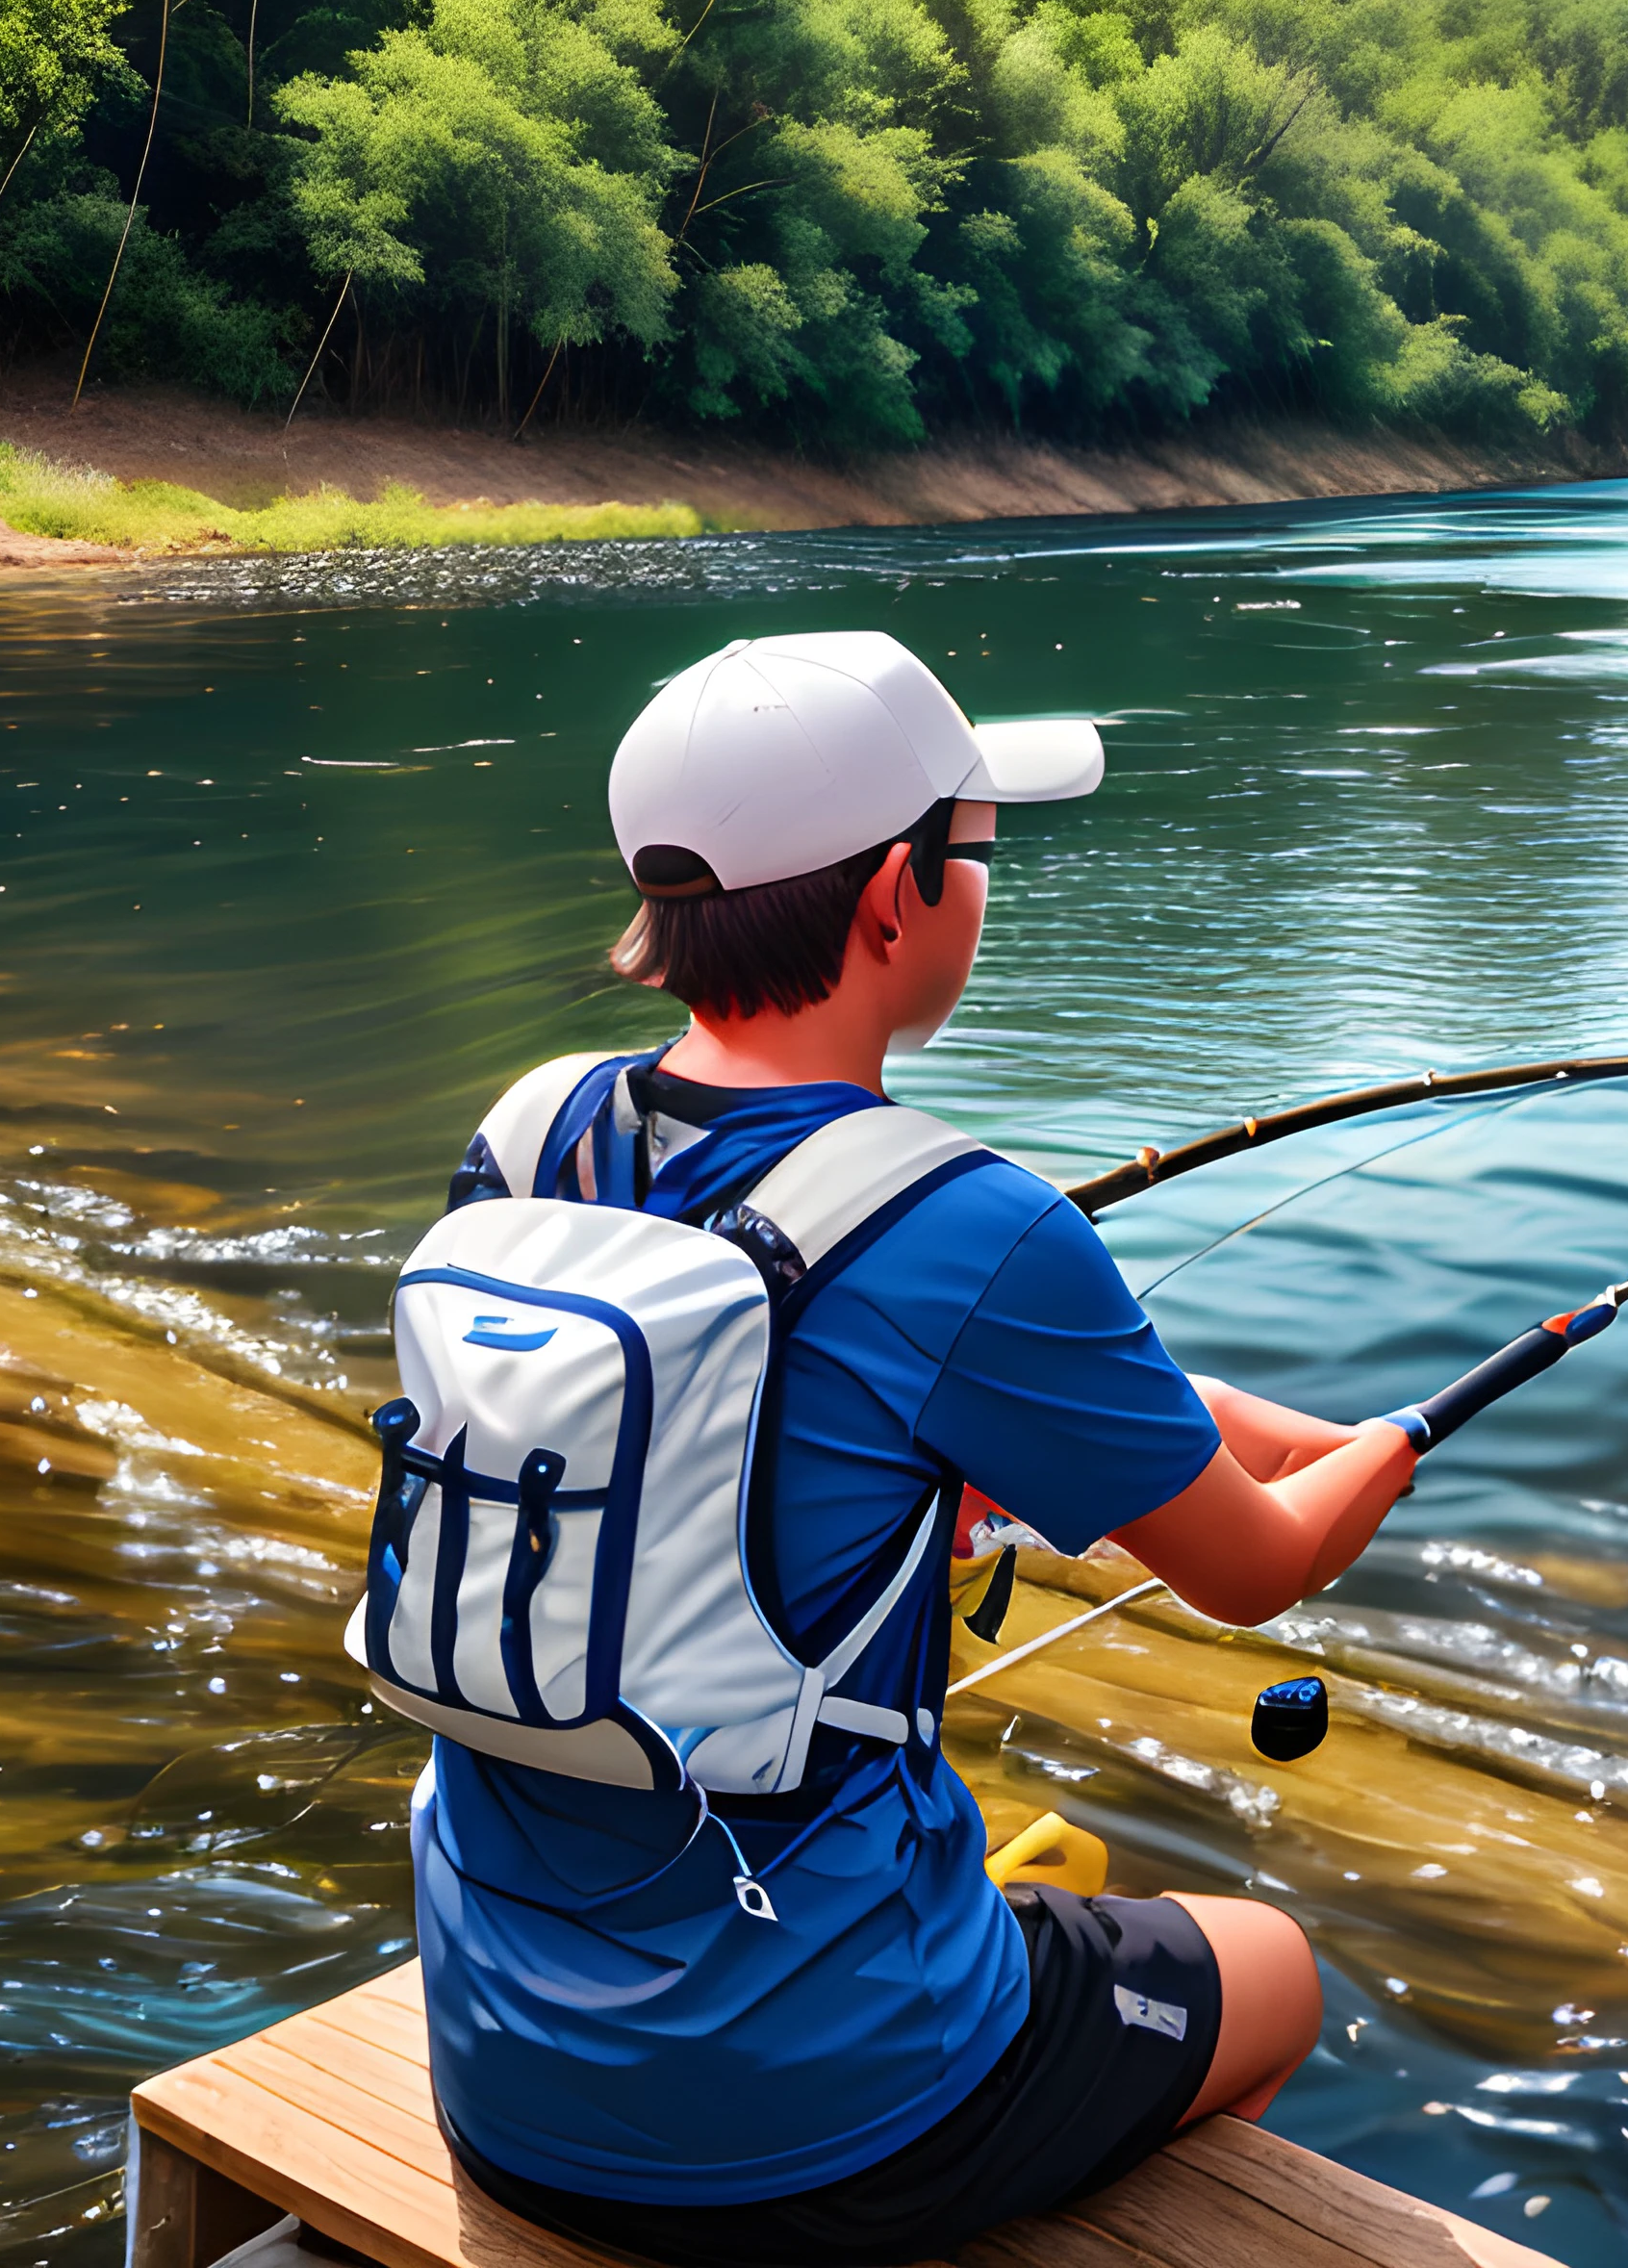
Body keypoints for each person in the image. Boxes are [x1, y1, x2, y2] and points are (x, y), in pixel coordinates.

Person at [407, 631, 1420, 2267]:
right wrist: (1390, 1443)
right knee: (1273, 1968)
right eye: (978, 848)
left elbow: (721, 1433)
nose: (983, 881)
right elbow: (1261, 1568)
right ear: (897, 896)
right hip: (812, 2121)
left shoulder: (530, 1135)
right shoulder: (974, 1230)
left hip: (506, 2065)